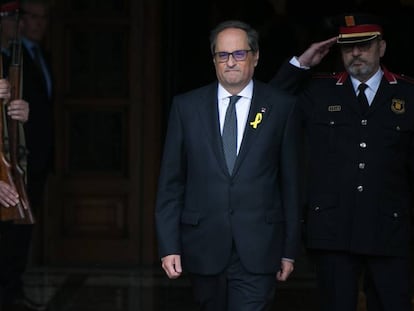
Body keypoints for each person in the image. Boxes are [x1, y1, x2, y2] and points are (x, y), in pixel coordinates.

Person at [155, 20, 301, 311]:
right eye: (223, 55)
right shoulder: (186, 107)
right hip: (203, 247)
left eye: (239, 54)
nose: (230, 62)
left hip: (259, 249)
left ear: (255, 56)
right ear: (214, 60)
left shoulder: (281, 106)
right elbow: (171, 182)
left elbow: (291, 184)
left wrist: (289, 250)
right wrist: (169, 245)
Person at [271, 13, 414, 311]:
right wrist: (302, 63)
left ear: (382, 47)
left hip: (390, 228)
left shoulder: (408, 93)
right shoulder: (319, 91)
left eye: (365, 45)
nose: (356, 53)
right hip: (333, 230)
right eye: (349, 47)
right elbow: (269, 105)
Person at [0, 0, 52, 310]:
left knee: (16, 234)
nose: (20, 24)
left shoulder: (34, 55)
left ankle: (10, 293)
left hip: (23, 159)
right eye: (10, 17)